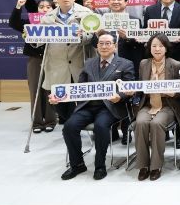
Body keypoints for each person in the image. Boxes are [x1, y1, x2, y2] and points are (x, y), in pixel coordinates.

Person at [50, 31, 135, 180]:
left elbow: (129, 87)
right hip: (88, 106)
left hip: (110, 107)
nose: (104, 46)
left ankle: (100, 165)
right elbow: (79, 87)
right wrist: (59, 97)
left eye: (108, 43)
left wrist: (120, 96)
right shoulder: (89, 63)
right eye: (101, 43)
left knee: (101, 127)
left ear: (115, 46)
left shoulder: (125, 64)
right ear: (97, 46)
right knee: (69, 126)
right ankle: (77, 164)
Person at [143, 0, 180, 149]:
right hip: (157, 60)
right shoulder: (150, 10)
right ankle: (162, 132)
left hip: (178, 61)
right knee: (158, 93)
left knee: (176, 96)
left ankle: (179, 133)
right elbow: (148, 36)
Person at [131, 33, 180, 181]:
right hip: (148, 104)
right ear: (149, 48)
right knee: (140, 122)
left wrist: (175, 93)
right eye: (154, 46)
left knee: (156, 123)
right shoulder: (144, 64)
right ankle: (143, 165)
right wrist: (132, 91)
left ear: (166, 48)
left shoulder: (175, 64)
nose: (157, 49)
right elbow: (140, 87)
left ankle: (156, 166)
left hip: (167, 105)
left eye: (161, 46)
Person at [40, 0, 95, 124]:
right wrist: (30, 37)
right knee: (60, 104)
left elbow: (92, 35)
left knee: (81, 101)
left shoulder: (86, 13)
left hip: (79, 62)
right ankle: (71, 124)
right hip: (57, 65)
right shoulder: (47, 17)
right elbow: (39, 41)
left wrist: (82, 36)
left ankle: (75, 126)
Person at [9, 0, 56, 133]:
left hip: (54, 59)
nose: (44, 9)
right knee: (35, 89)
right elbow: (13, 23)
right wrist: (18, 6)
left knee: (50, 90)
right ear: (37, 9)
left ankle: (50, 121)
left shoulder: (58, 22)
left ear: (53, 9)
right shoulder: (30, 23)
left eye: (48, 7)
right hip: (35, 59)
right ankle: (37, 123)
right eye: (41, 7)